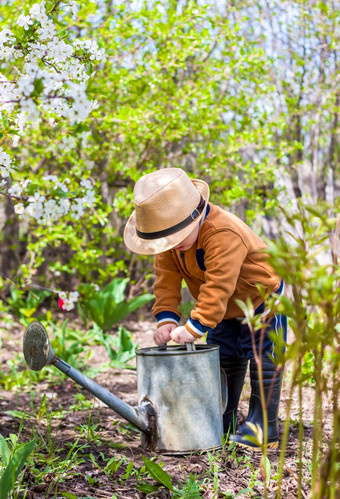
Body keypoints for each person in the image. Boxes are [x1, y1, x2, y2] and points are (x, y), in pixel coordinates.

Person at [124, 167, 287, 450]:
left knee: (263, 360)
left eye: (177, 241)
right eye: (167, 243)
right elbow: (166, 281)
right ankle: (223, 417)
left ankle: (263, 427)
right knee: (223, 358)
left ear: (195, 219)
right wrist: (166, 319)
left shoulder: (222, 232)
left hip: (261, 301)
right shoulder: (169, 241)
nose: (173, 248)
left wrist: (195, 326)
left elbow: (219, 285)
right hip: (224, 310)